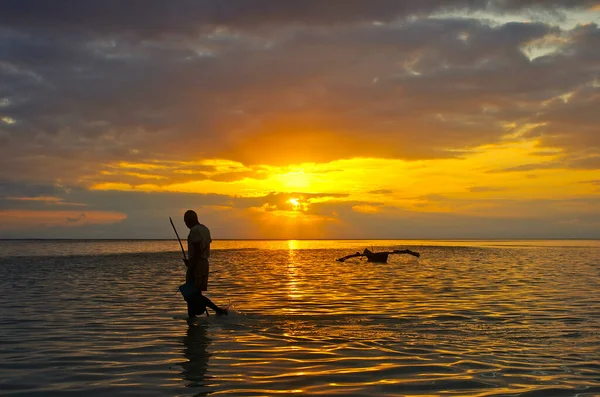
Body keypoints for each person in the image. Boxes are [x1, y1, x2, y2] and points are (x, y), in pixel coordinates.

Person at [183, 209, 228, 318]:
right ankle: (192, 319)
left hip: (197, 264)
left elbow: (198, 250)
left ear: (190, 220)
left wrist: (191, 265)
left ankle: (218, 310)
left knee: (193, 294)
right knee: (193, 293)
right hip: (203, 263)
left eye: (186, 221)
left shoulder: (194, 230)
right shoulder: (205, 229)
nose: (186, 224)